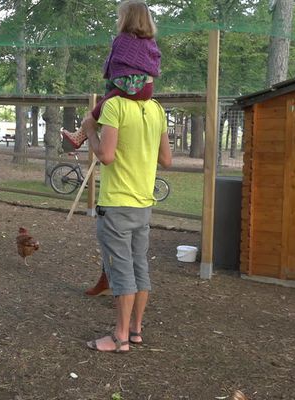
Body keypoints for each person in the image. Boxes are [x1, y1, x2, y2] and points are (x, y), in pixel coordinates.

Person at [82, 8, 172, 350]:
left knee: (121, 271)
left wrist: (90, 131)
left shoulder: (114, 106)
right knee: (139, 267)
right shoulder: (158, 109)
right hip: (144, 205)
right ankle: (135, 330)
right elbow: (166, 159)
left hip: (117, 204)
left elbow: (105, 156)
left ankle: (119, 338)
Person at [61, 0, 161, 150]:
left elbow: (115, 63)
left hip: (133, 87)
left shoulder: (124, 39)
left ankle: (81, 134)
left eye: (121, 17)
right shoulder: (149, 41)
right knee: (106, 102)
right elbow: (153, 62)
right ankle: (89, 132)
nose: (119, 20)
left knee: (104, 103)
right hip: (148, 88)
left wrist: (113, 75)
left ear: (128, 19)